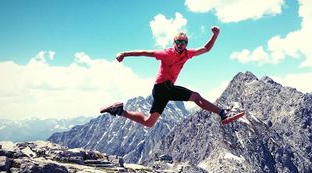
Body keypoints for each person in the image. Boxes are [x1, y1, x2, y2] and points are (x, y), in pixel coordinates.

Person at [100, 26, 244, 127]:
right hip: (161, 88)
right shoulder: (166, 54)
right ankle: (222, 113)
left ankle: (119, 110)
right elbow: (144, 52)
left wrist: (215, 35)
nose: (180, 44)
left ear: (186, 43)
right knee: (196, 97)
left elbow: (206, 49)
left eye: (183, 42)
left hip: (168, 89)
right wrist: (124, 54)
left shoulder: (188, 54)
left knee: (149, 122)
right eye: (178, 42)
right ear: (174, 43)